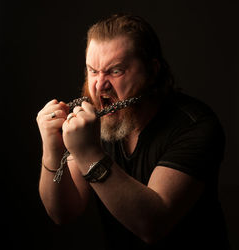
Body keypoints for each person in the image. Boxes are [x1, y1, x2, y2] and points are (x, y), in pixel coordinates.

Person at [36, 13, 230, 249]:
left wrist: (88, 152)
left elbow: (152, 225)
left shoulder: (195, 126)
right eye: (93, 71)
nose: (99, 86)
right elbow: (63, 213)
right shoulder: (97, 121)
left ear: (152, 70)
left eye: (115, 71)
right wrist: (52, 148)